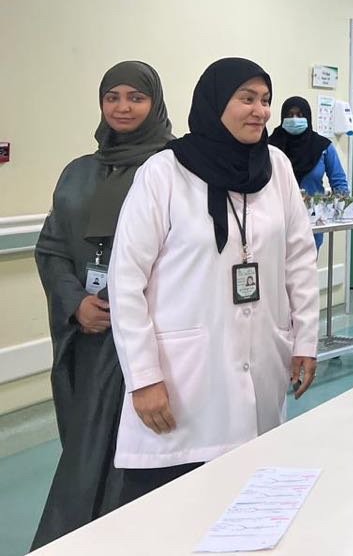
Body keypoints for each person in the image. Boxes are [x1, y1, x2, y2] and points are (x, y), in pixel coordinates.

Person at [108, 58, 319, 503]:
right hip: (182, 376)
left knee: (248, 499)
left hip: (262, 358)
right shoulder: (163, 173)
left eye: (265, 100)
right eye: (247, 99)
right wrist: (143, 377)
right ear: (215, 103)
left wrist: (305, 340)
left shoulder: (276, 167)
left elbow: (299, 258)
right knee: (174, 508)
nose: (261, 111)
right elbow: (126, 282)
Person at [32, 62, 173, 547]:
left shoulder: (174, 169)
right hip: (87, 337)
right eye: (112, 97)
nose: (123, 107)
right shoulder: (78, 172)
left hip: (148, 339)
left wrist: (121, 303)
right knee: (85, 448)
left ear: (155, 103)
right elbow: (52, 246)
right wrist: (76, 304)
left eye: (136, 97)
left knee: (133, 455)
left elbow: (185, 253)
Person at [268, 95, 348, 249]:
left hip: (312, 222)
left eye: (300, 115)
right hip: (276, 223)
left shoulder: (323, 147)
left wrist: (342, 209)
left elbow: (339, 182)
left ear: (308, 117)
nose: (295, 119)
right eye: (290, 115)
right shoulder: (270, 146)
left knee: (307, 263)